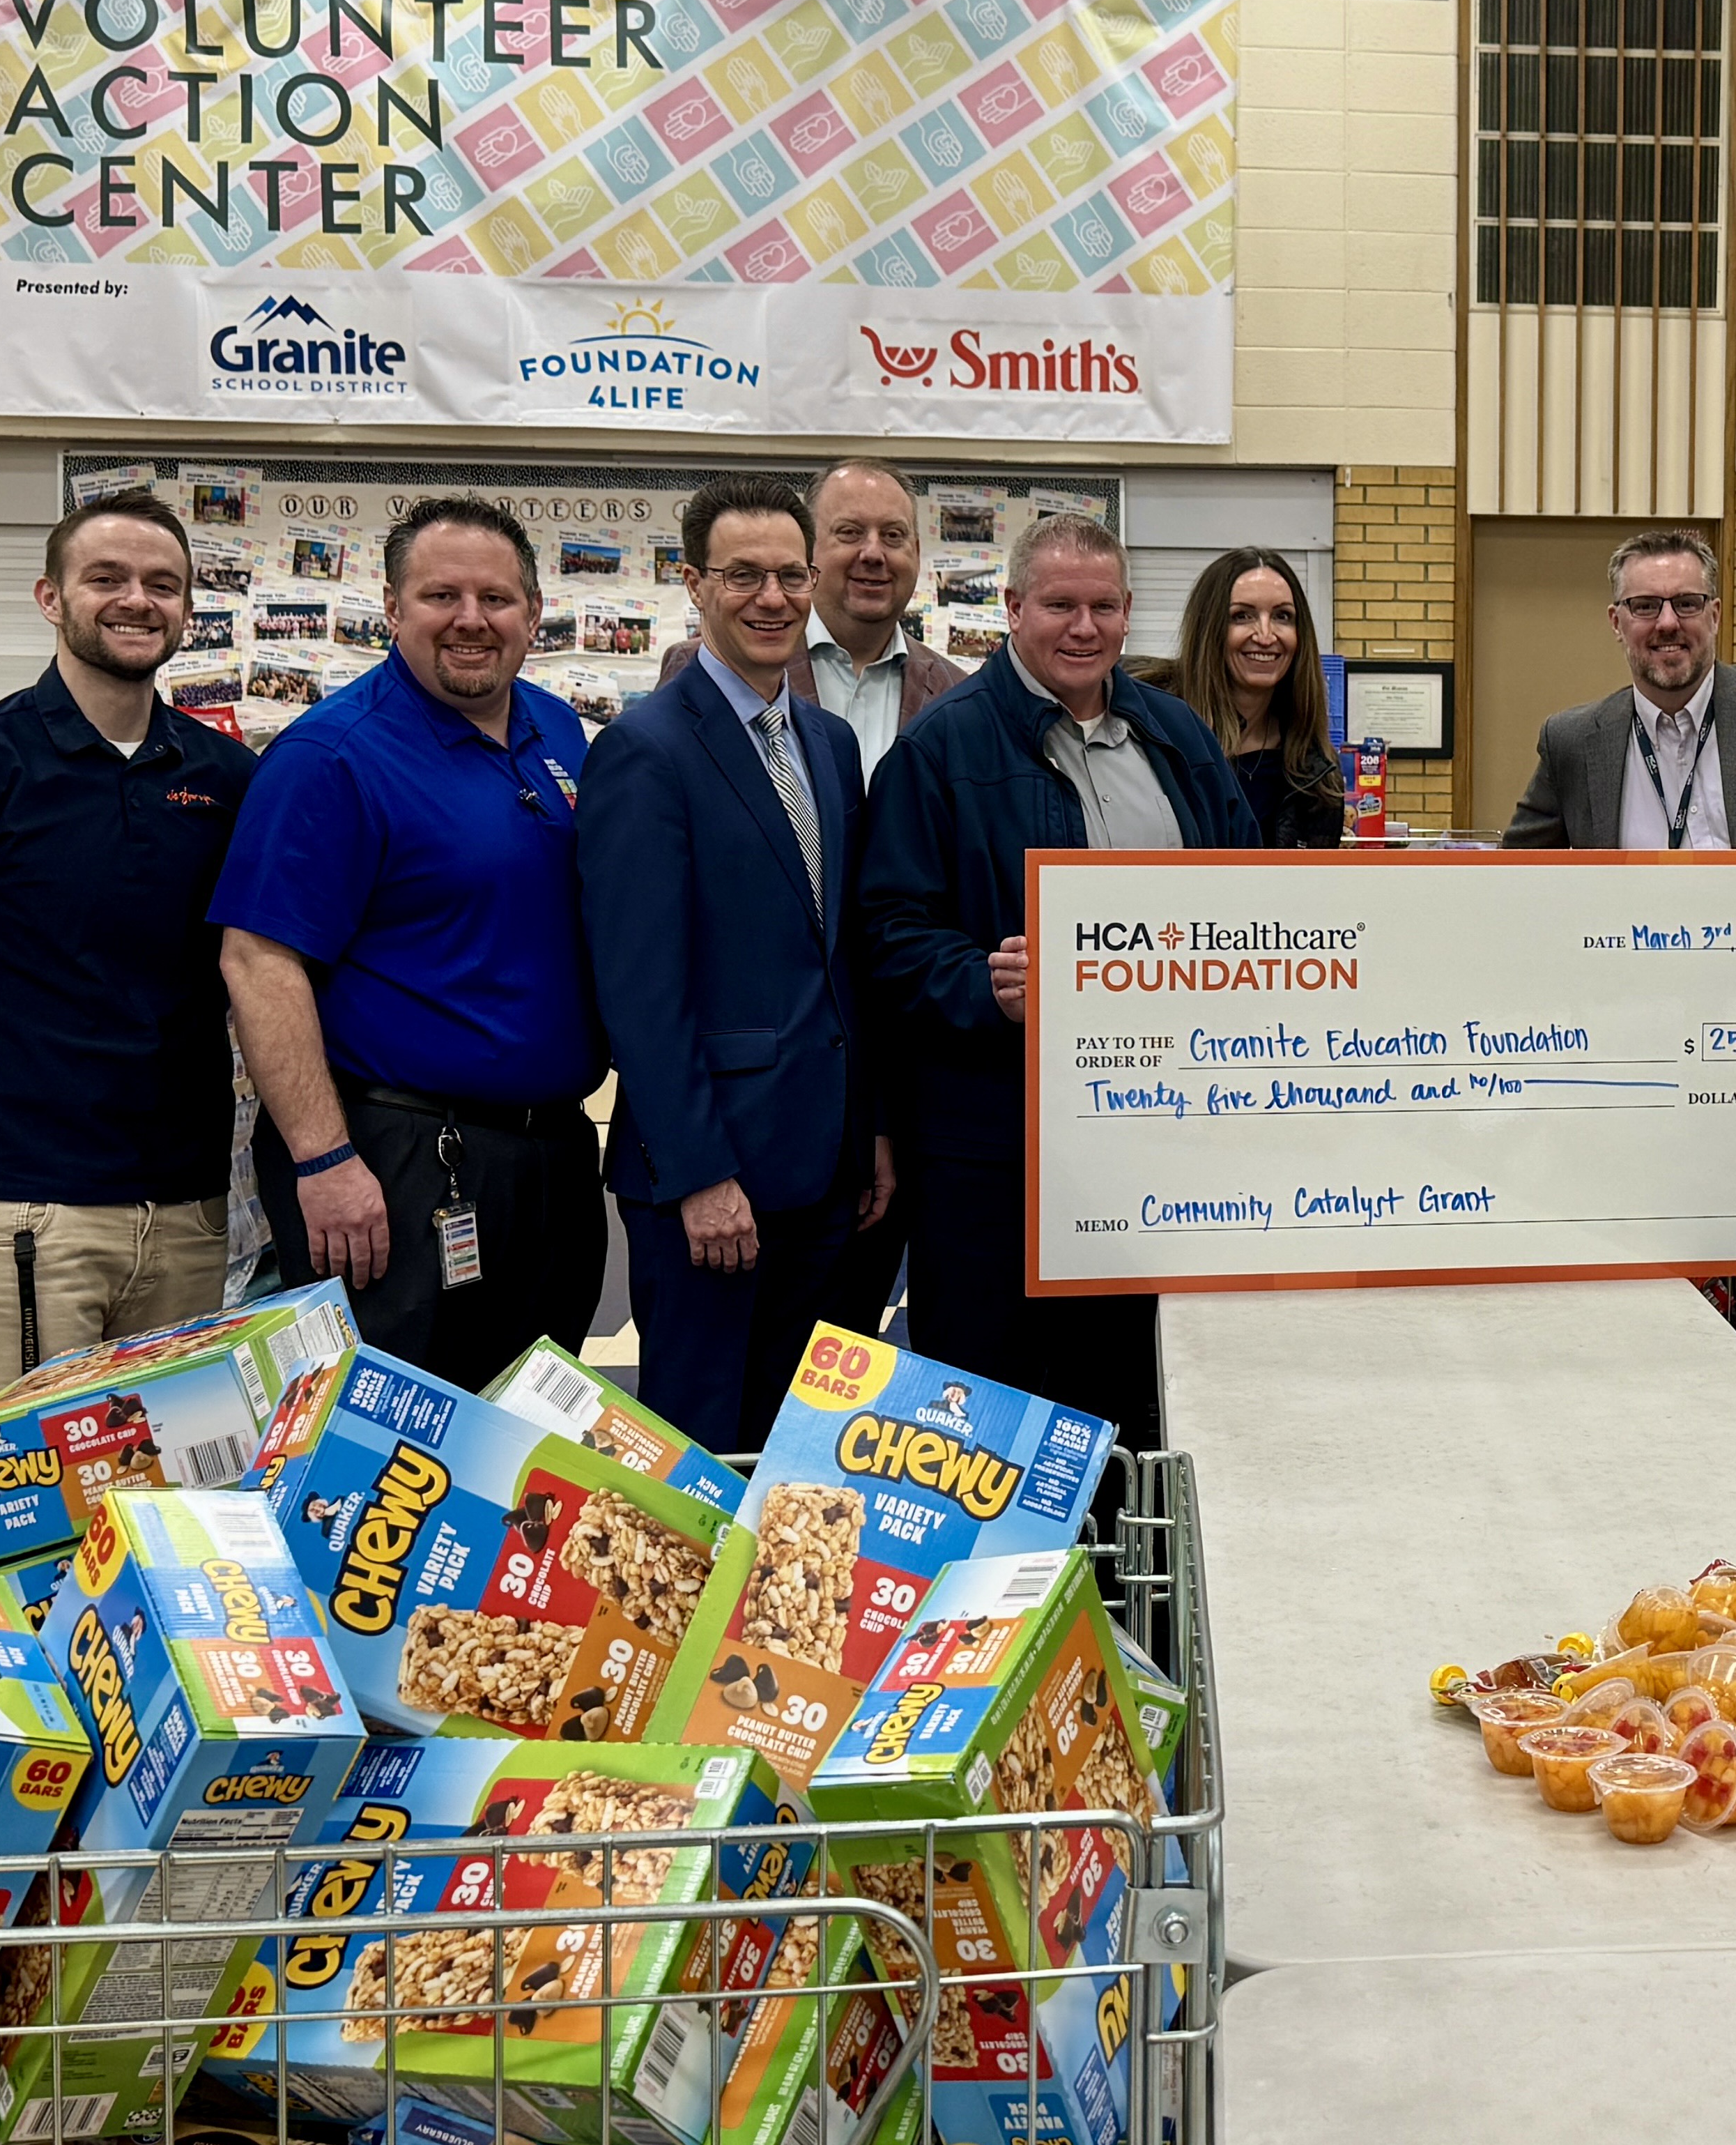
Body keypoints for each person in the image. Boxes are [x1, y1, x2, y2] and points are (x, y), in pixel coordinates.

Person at [0, 489, 256, 1395]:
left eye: (163, 583)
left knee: (181, 1494)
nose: (137, 600)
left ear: (190, 608)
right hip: (23, 1215)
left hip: (188, 1210)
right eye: (106, 577)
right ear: (50, 597)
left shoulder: (228, 779)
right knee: (25, 1512)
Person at [864, 511, 1254, 1443]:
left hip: (1153, 1144)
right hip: (995, 1153)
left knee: (1127, 1396)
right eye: (1059, 605)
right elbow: (885, 934)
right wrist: (980, 983)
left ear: (1128, 613)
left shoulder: (1177, 740)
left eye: (1103, 606)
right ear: (1009, 608)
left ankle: (1121, 1589)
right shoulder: (939, 750)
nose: (1083, 628)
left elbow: (1248, 889)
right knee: (987, 1406)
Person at [214, 496, 607, 1394]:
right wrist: (323, 1158)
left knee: (530, 1426)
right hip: (399, 1160)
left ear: (534, 613)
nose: (471, 619)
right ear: (392, 611)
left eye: (497, 598)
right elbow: (259, 963)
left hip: (546, 1158)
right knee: (392, 1439)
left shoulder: (555, 729)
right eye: (441, 596)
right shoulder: (333, 757)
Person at [579, 474, 897, 1455]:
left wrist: (870, 1130)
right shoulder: (646, 749)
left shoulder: (831, 744)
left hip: (827, 1172)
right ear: (694, 583)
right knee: (700, 1455)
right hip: (713, 1182)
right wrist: (699, 1174)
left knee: (801, 1454)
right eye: (743, 575)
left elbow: (837, 959)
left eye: (789, 576)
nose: (772, 598)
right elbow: (641, 989)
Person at [1505, 530, 1736, 849]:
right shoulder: (1572, 742)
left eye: (1686, 603)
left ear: (1714, 616)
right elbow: (1515, 869)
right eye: (1645, 605)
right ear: (1616, 623)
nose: (1668, 623)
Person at [659, 460, 965, 784]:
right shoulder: (702, 664)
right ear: (808, 550)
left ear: (916, 553)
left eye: (893, 535)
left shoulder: (956, 692)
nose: (874, 554)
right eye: (850, 532)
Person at [1172, 547, 1345, 847]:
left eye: (1282, 616)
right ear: (1209, 629)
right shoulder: (1161, 736)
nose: (1266, 635)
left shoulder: (1317, 773)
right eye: (1242, 616)